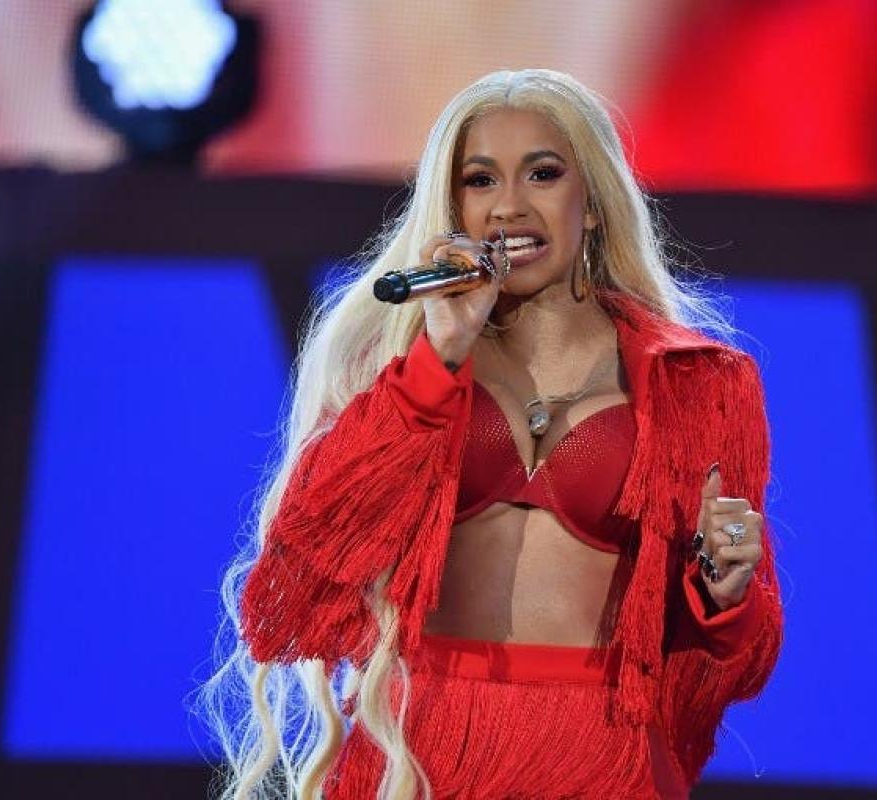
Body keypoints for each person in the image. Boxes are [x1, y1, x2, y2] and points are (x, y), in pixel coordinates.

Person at [207, 68, 783, 800]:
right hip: (419, 752)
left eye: (542, 174)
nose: (509, 206)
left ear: (593, 203)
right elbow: (295, 588)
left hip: (598, 755)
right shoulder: (397, 366)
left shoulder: (699, 383)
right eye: (480, 181)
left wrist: (723, 594)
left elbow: (740, 654)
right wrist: (440, 356)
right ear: (452, 209)